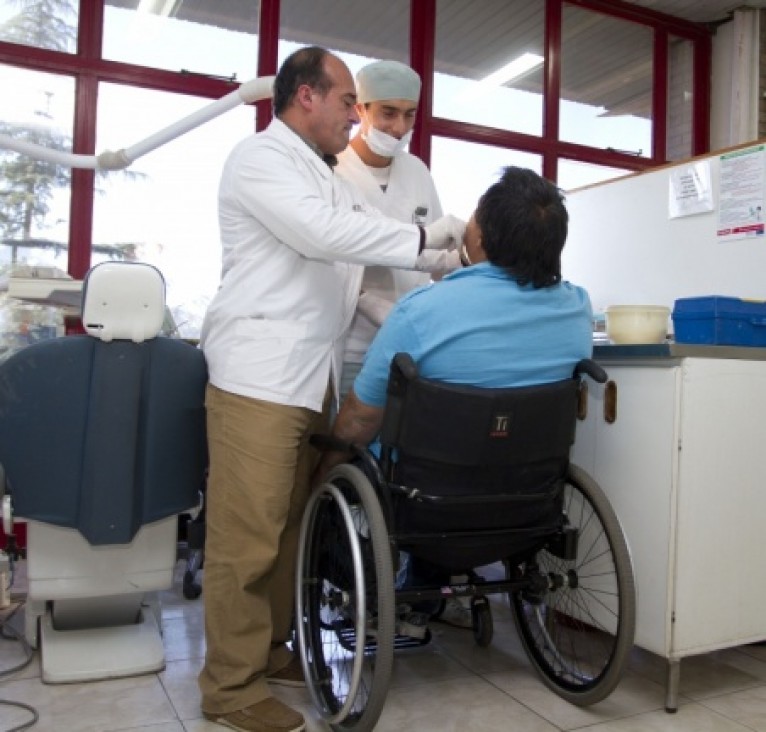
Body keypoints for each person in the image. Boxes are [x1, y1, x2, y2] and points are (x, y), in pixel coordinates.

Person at [198, 46, 464, 732]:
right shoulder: (259, 159)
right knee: (246, 538)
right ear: (305, 97)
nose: (357, 113)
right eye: (348, 99)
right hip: (258, 377)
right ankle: (229, 687)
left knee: (289, 530)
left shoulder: (320, 174)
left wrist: (457, 253)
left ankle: (272, 651)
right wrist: (428, 235)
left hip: (305, 377)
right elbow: (328, 236)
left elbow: (374, 244)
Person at [315, 165, 594, 637]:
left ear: (481, 239)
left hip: (426, 504)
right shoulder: (577, 308)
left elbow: (361, 416)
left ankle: (378, 586)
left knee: (338, 480)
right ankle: (425, 586)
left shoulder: (423, 310)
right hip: (526, 499)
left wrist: (327, 463)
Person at [334, 58, 470, 629]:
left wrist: (464, 268)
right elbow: (349, 273)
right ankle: (350, 582)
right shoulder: (332, 171)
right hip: (353, 348)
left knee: (414, 472)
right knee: (352, 468)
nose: (397, 126)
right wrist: (399, 320)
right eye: (386, 112)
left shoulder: (416, 172)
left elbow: (432, 253)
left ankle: (417, 586)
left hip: (416, 353)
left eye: (408, 115)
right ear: (359, 109)